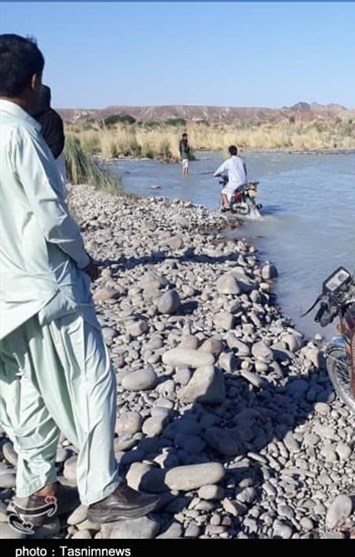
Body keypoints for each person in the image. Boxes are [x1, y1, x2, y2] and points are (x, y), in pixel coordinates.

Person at [0, 33, 160, 530]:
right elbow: (50, 214)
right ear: (34, 81)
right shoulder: (21, 132)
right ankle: (102, 488)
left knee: (25, 393)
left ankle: (37, 493)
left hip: (5, 297)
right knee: (90, 383)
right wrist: (84, 259)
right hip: (45, 287)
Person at [33, 85, 67, 189]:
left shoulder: (52, 118)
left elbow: (58, 145)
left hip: (50, 162)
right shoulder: (32, 116)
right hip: (41, 161)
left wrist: (44, 159)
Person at [213, 144, 247, 212]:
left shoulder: (228, 161)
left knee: (223, 192)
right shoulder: (242, 160)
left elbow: (220, 170)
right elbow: (245, 172)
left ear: (229, 153)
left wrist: (215, 174)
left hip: (235, 182)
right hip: (244, 182)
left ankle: (226, 205)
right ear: (236, 152)